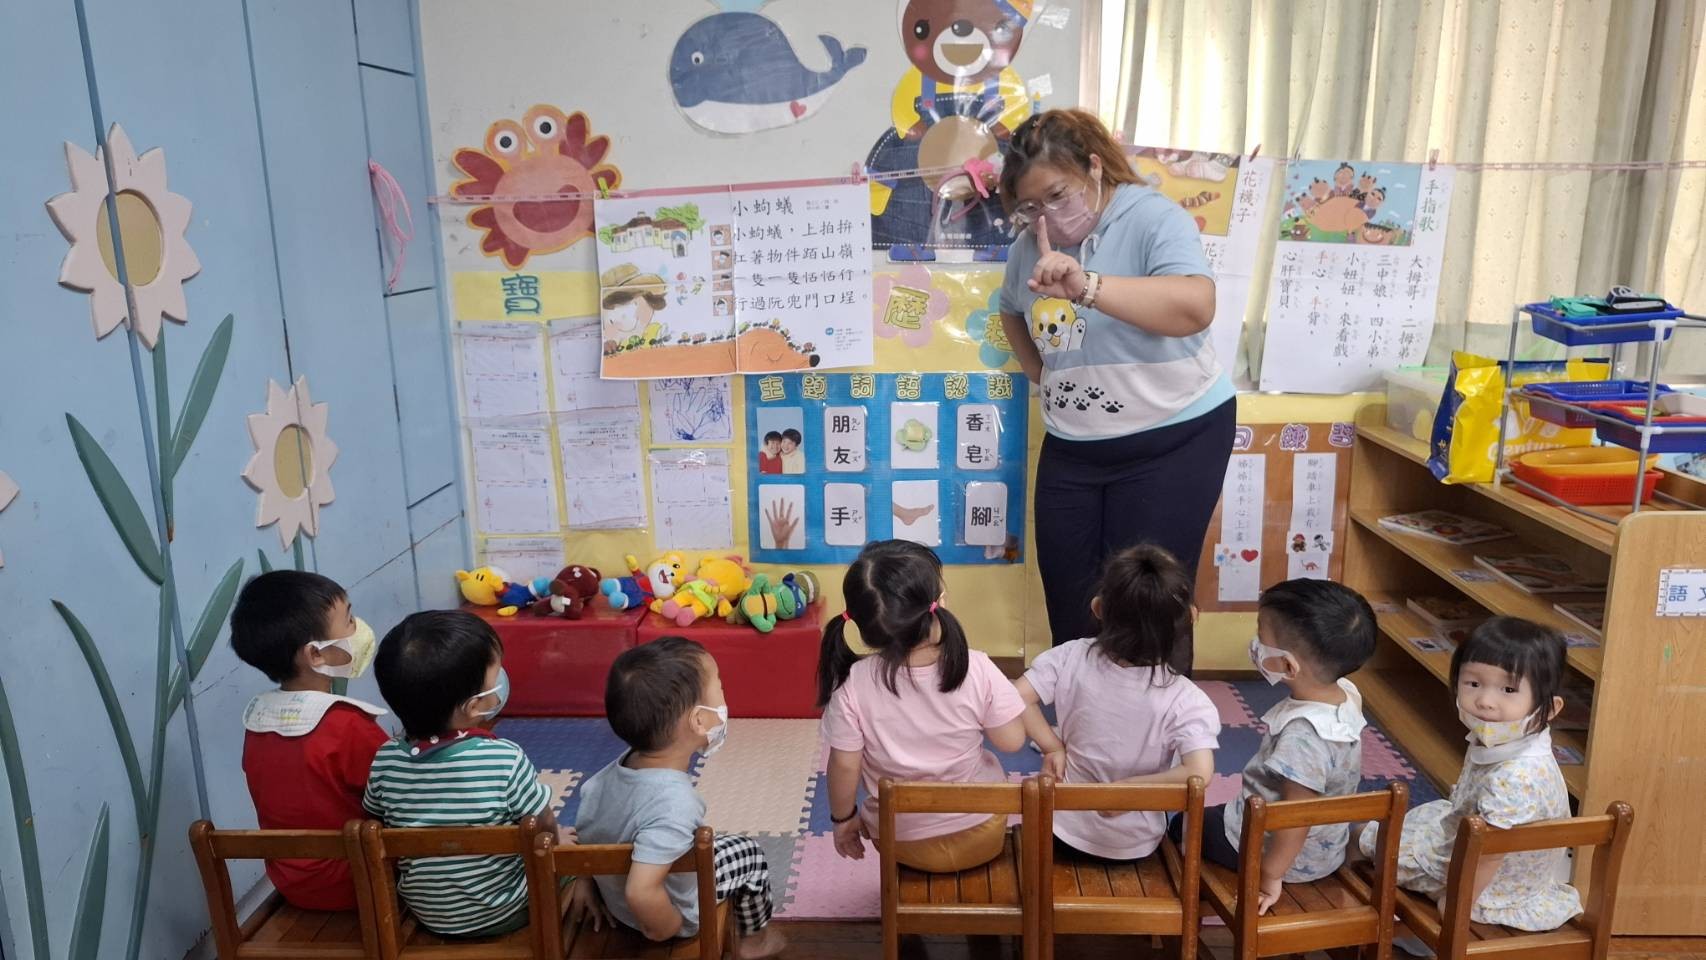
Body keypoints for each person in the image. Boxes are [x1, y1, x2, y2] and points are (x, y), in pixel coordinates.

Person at [997, 108, 1232, 672]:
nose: (1045, 216)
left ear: (1094, 168)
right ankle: (1085, 719)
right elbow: (1009, 309)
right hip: (1074, 447)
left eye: (1057, 195)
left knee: (1150, 606)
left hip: (1174, 436)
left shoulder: (1152, 217)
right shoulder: (1028, 245)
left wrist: (1088, 287)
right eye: (1030, 206)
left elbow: (1195, 306)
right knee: (1072, 602)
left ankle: (1161, 723)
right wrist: (1042, 374)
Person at [1357, 618, 1581, 931]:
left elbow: (1488, 854)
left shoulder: (1516, 777)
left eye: (1508, 689)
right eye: (1473, 684)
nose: (1485, 701)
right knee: (1427, 816)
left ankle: (1389, 926)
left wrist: (1457, 904)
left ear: (1551, 708)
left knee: (1372, 839)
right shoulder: (1514, 739)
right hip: (1509, 866)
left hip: (1490, 889)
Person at [818, 540, 1027, 872]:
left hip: (900, 840)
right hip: (982, 830)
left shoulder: (853, 684)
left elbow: (844, 766)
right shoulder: (975, 666)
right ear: (939, 603)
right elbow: (1012, 741)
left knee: (877, 811)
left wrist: (843, 821)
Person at [1170, 578, 1376, 914]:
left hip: (1284, 855)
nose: (1255, 643)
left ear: (1289, 666)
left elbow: (1296, 817)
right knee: (1215, 813)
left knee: (1180, 823)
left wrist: (1270, 876)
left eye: (1260, 635)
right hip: (1326, 845)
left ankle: (1197, 895)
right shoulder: (1347, 693)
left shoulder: (1303, 737)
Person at [572, 638, 785, 959]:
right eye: (720, 689)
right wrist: (666, 929)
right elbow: (641, 891)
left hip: (615, 902)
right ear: (699, 721)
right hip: (671, 912)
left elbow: (588, 836)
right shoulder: (675, 804)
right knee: (749, 853)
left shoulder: (601, 781)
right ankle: (754, 942)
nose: (724, 699)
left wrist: (585, 878)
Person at [363, 611, 563, 939]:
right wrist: (557, 843)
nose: (501, 682)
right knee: (571, 864)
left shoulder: (385, 759)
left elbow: (375, 814)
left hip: (430, 914)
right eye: (495, 677)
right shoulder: (505, 758)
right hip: (509, 908)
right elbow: (544, 825)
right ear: (473, 706)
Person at [1017, 544, 1220, 860]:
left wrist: (1052, 747)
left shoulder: (1070, 657)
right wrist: (1129, 791)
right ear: (1191, 617)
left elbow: (1016, 697)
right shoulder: (1187, 699)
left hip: (1059, 831)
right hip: (1134, 846)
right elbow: (1200, 773)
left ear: (1098, 608)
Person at [231, 571, 388, 911]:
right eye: (349, 620)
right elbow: (396, 796)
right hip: (359, 881)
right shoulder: (349, 725)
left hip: (292, 883)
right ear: (316, 655)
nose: (358, 628)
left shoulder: (257, 721)